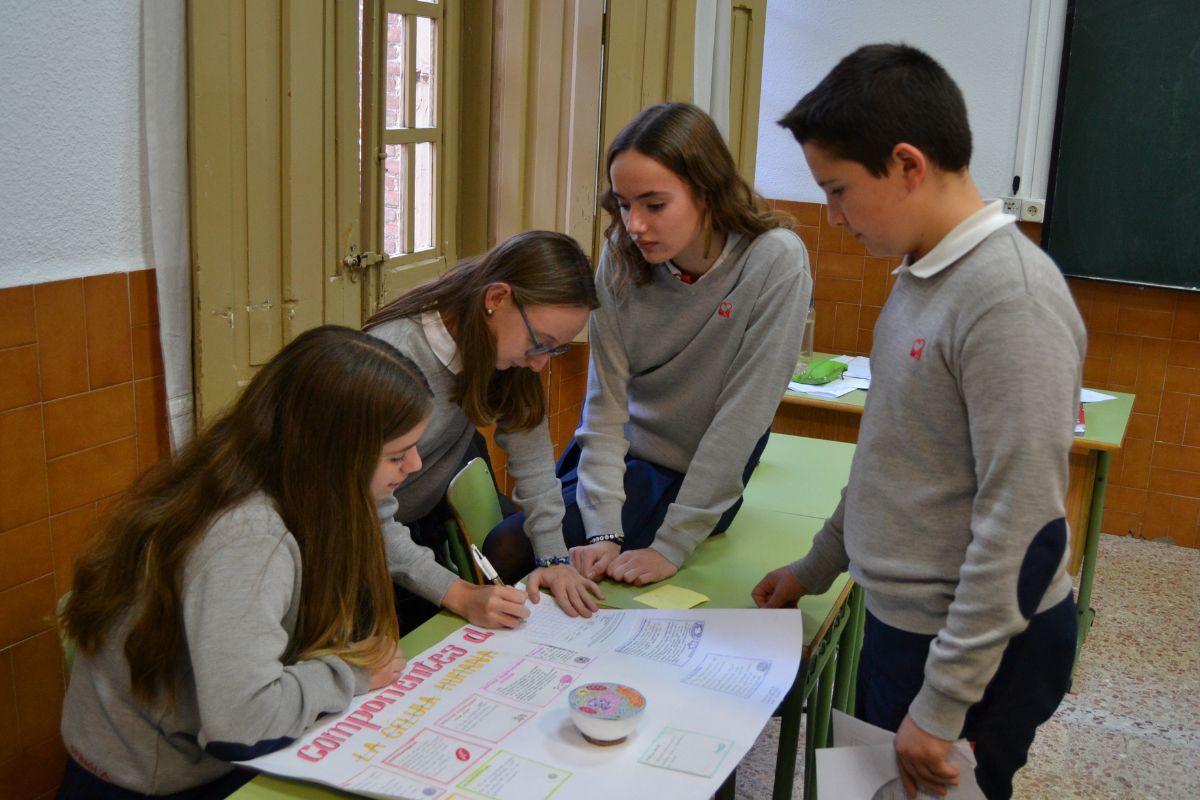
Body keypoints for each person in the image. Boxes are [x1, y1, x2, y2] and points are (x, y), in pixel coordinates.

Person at [753, 44, 1085, 800]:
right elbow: (891, 458)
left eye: (838, 190)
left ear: (907, 164)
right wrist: (818, 565)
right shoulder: (921, 275)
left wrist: (941, 704)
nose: (831, 217)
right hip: (913, 625)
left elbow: (1024, 527)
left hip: (980, 645)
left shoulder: (1010, 301)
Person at [57, 326, 431, 798]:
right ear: (330, 455)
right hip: (156, 781)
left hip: (192, 753)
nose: (416, 464)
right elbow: (243, 723)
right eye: (397, 454)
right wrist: (350, 674)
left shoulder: (261, 471)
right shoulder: (247, 536)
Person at [487, 103, 811, 587]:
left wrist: (672, 545)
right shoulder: (622, 255)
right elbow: (605, 404)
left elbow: (741, 421)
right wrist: (603, 529)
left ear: (707, 193)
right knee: (511, 546)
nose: (634, 224)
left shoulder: (775, 261)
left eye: (654, 205)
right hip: (619, 461)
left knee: (537, 554)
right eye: (623, 203)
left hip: (699, 474)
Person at [364, 230, 605, 632]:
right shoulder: (396, 359)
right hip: (352, 548)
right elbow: (366, 514)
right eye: (540, 343)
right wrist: (459, 593)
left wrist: (554, 559)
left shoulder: (500, 353)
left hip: (406, 537)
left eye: (555, 348)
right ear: (496, 299)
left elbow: (532, 458)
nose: (540, 364)